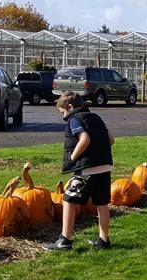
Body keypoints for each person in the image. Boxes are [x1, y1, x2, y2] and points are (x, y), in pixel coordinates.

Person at [44, 91, 115, 251]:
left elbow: (85, 139)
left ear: (69, 107)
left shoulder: (75, 120)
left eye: (63, 112)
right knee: (101, 203)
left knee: (68, 199)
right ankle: (103, 240)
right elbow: (111, 140)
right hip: (104, 167)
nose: (63, 116)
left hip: (87, 169)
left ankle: (65, 240)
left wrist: (72, 159)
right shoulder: (96, 118)